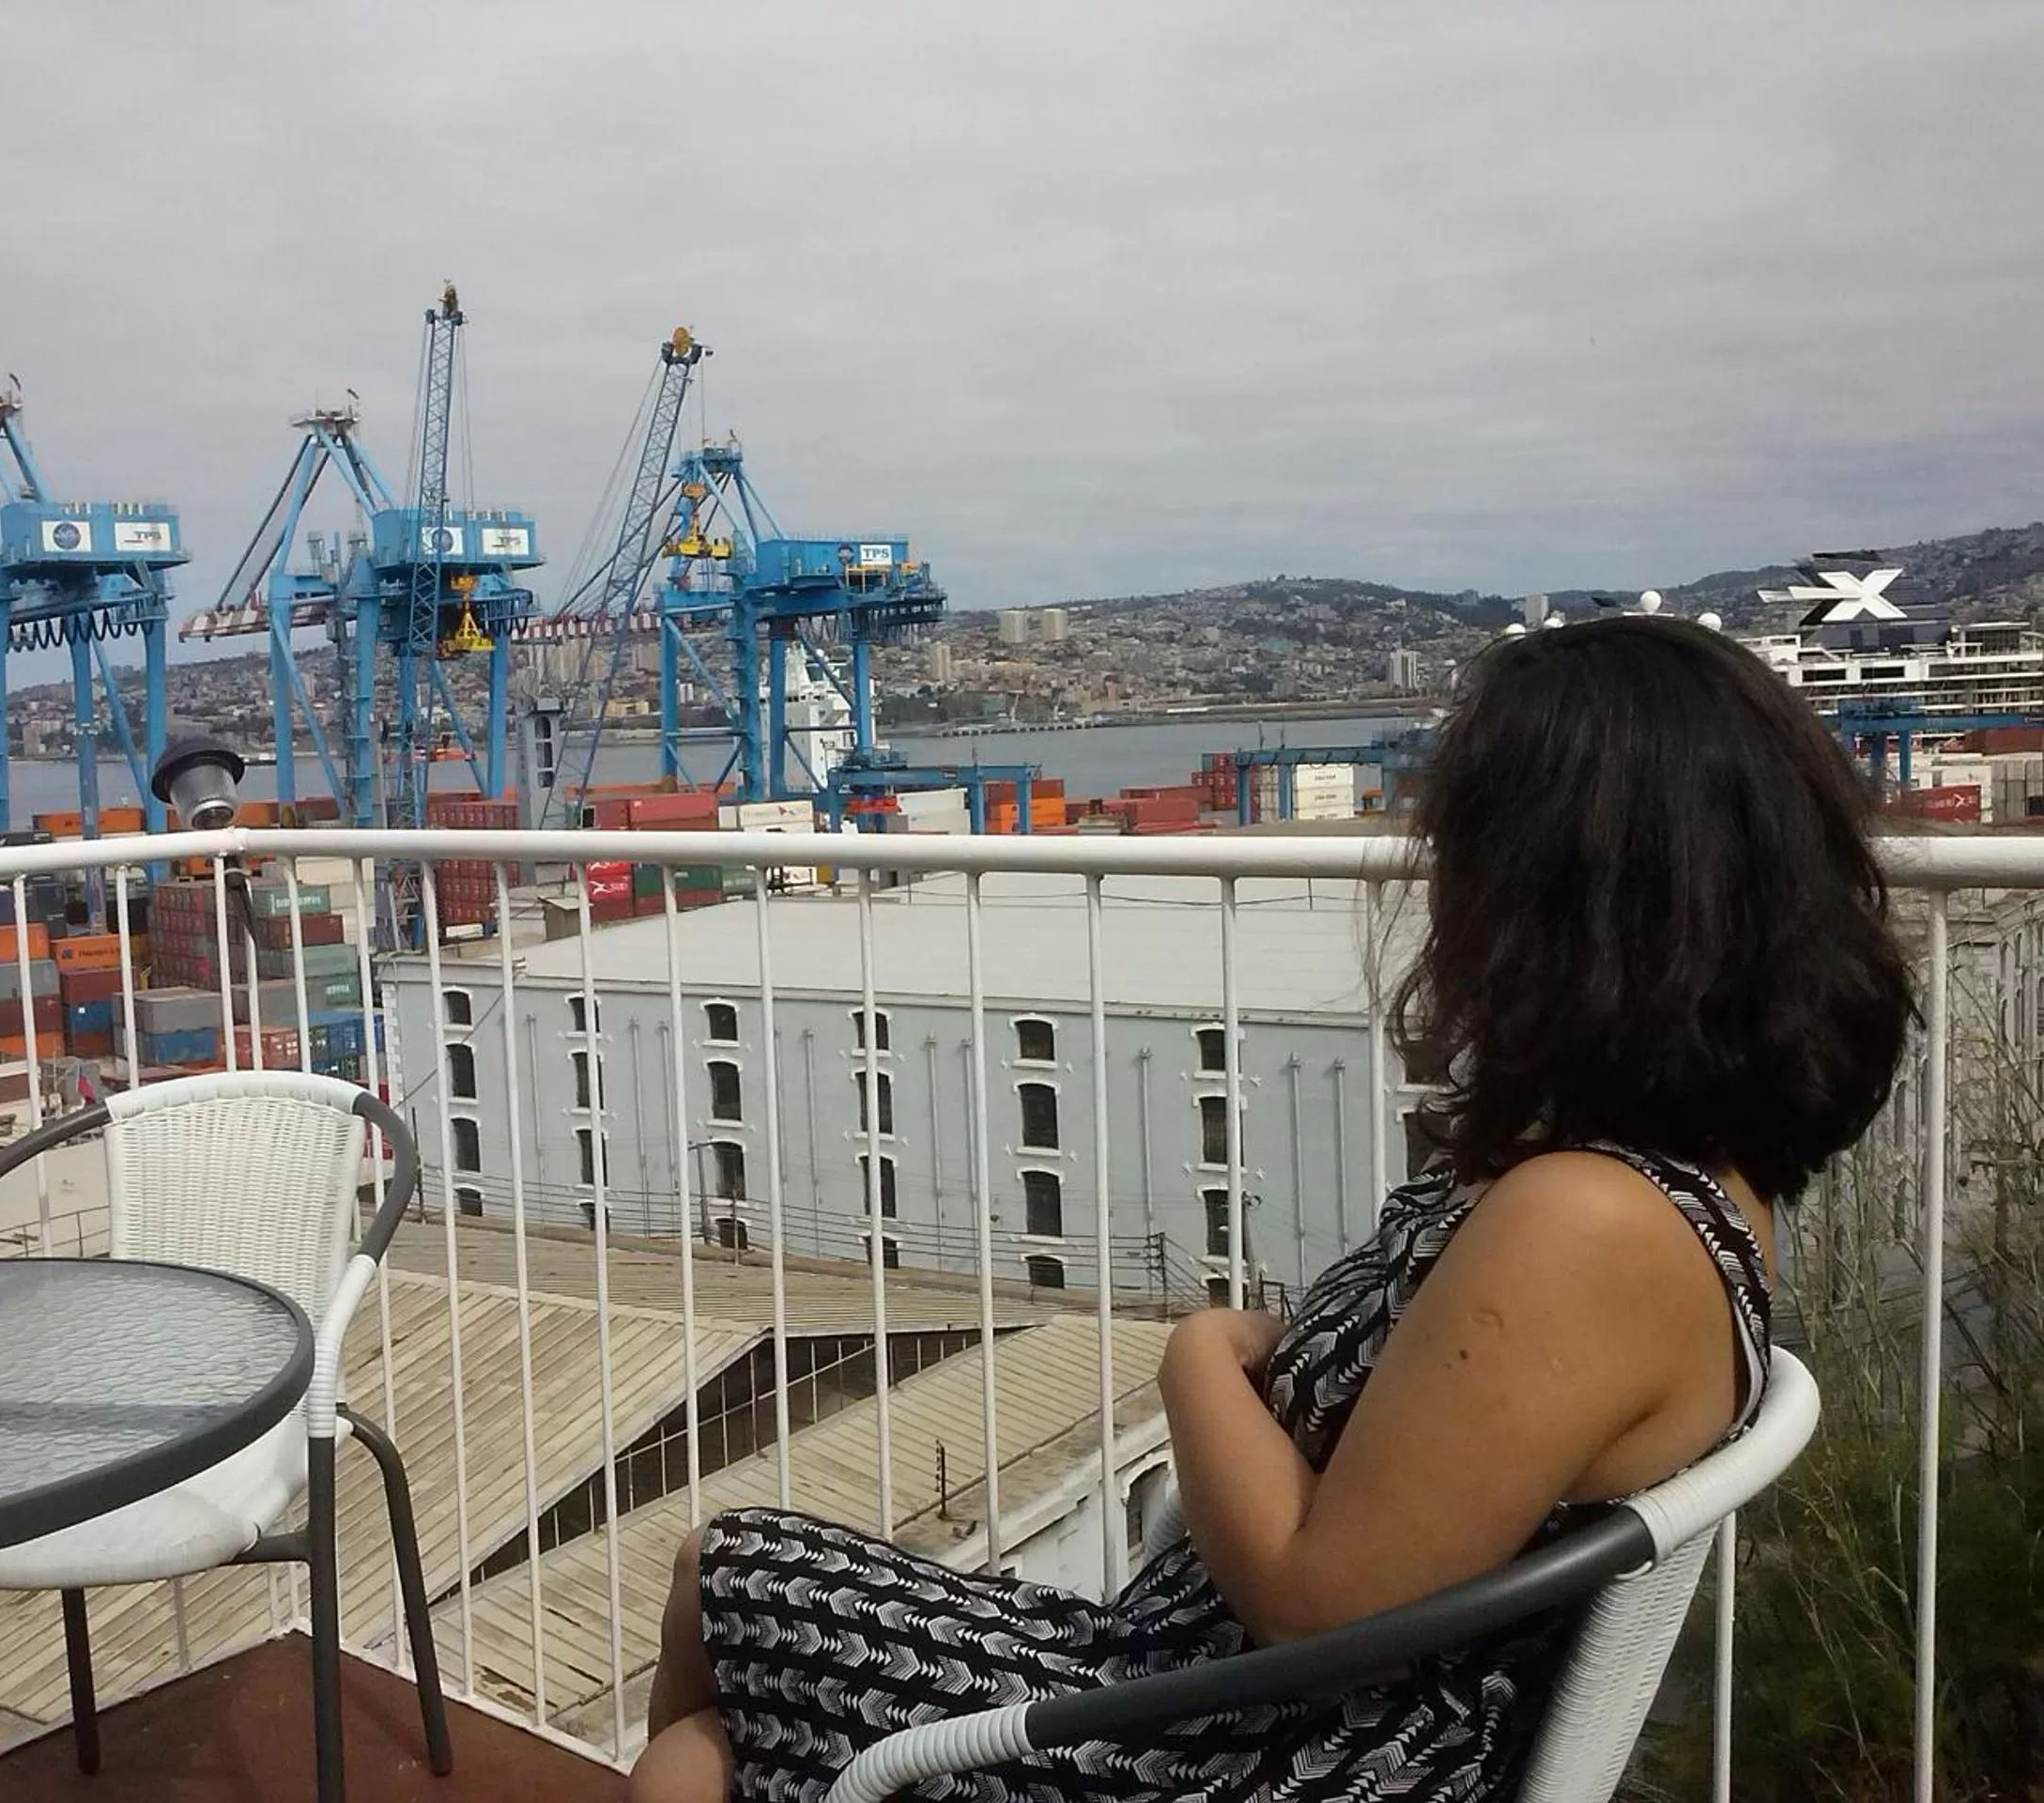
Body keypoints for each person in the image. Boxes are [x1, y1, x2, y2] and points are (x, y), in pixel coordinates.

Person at [631, 614, 1913, 1802]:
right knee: (715, 1702)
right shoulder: (1675, 1176)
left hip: (1248, 1751)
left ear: (1562, 894)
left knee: (721, 1590)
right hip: (1216, 1688)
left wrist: (1197, 1354)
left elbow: (1317, 1608)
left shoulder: (1590, 1223)